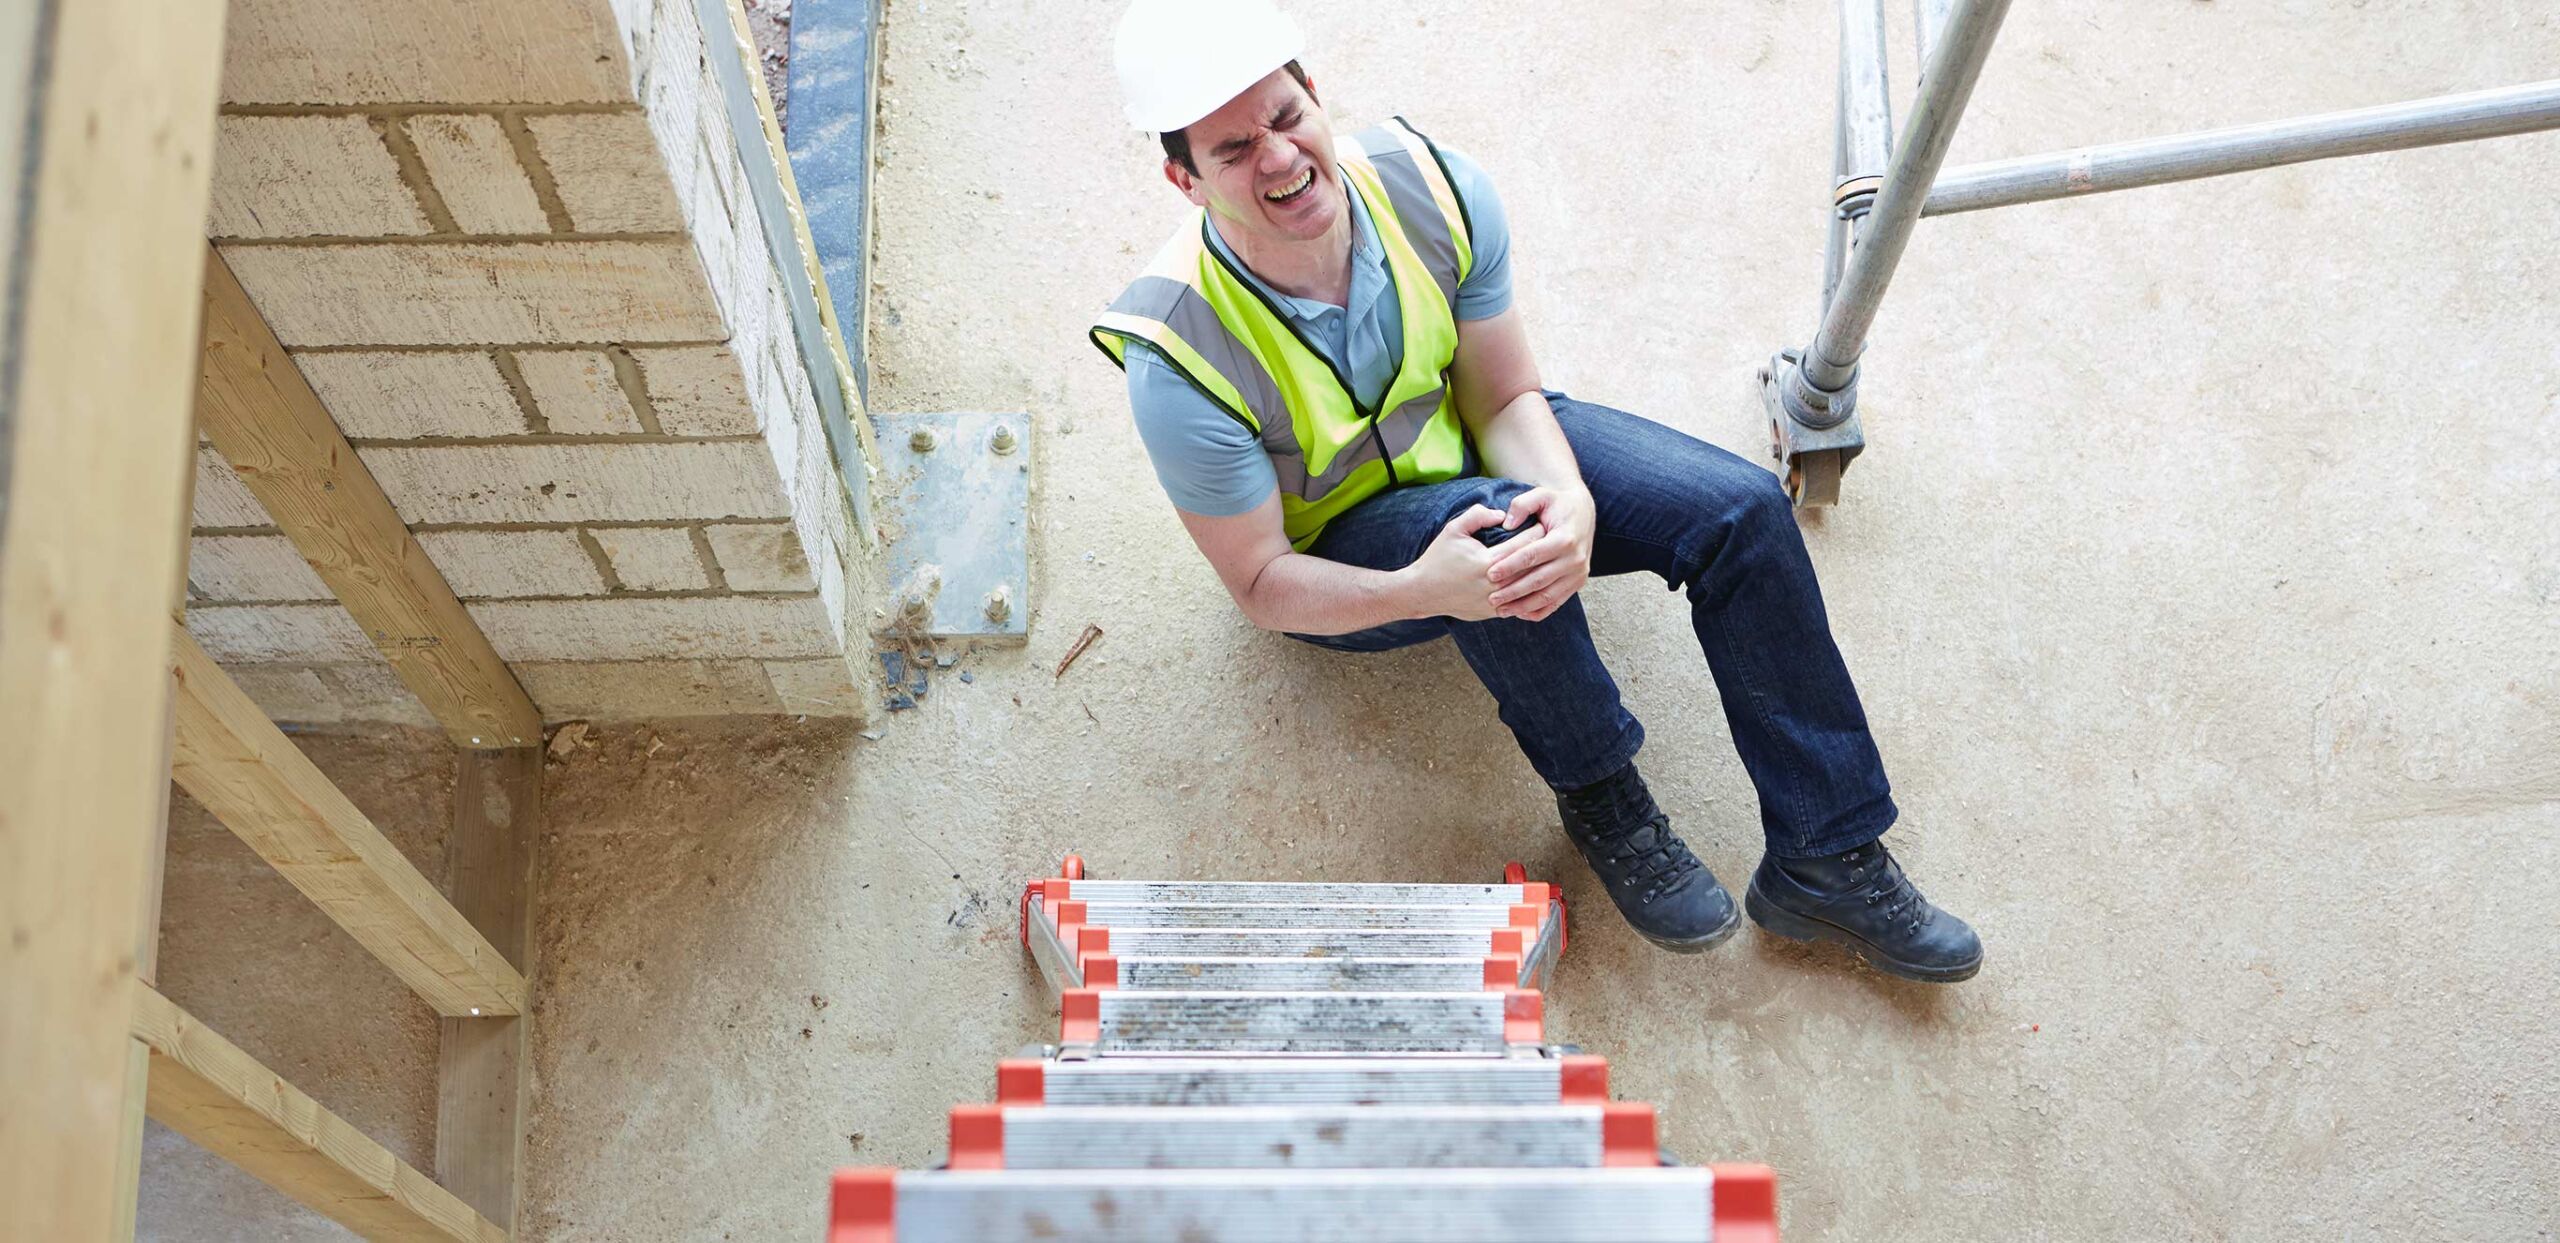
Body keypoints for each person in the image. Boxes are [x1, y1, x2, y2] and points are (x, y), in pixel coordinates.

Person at [1093, 0, 1982, 982]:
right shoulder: (1176, 357)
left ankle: (1826, 849)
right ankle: (1602, 787)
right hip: (1347, 557)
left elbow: (1505, 393)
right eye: (1230, 150)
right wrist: (1423, 588)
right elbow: (1260, 585)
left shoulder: (1431, 188)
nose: (1278, 158)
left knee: (1735, 510)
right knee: (1493, 532)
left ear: (1314, 93)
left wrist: (1574, 499)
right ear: (1183, 179)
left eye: (1285, 116)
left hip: (1472, 442)